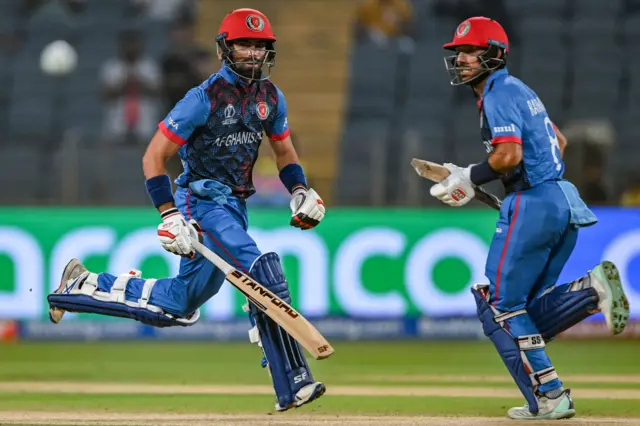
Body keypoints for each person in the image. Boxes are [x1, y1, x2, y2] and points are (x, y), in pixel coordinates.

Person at [48, 8, 326, 412]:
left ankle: (79, 287)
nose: (252, 53)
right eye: (243, 45)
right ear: (224, 50)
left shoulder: (271, 97)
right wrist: (169, 214)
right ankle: (294, 381)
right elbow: (153, 156)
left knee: (179, 306)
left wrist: (299, 190)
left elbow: (284, 151)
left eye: (260, 46)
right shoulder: (203, 99)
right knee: (263, 268)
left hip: (235, 205)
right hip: (201, 202)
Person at [430, 16, 629, 420]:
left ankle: (553, 394)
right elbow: (559, 140)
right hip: (563, 199)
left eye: (471, 51)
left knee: (500, 307)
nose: (462, 59)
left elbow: (509, 156)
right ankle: (589, 293)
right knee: (523, 311)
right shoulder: (521, 90)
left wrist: (469, 176)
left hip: (533, 202)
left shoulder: (498, 92)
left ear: (495, 54)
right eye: (459, 53)